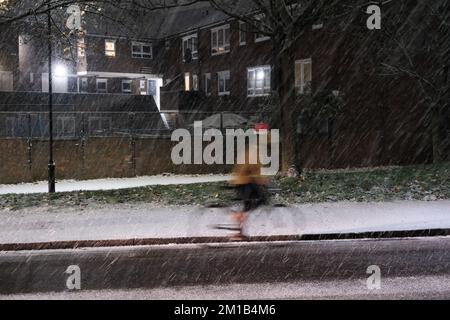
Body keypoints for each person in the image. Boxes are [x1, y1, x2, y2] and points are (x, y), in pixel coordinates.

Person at [230, 143, 268, 240]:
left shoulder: (252, 152)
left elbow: (252, 170)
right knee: (255, 202)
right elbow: (253, 169)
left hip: (244, 182)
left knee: (249, 205)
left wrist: (260, 180)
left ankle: (239, 228)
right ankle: (237, 221)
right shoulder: (254, 153)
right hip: (244, 183)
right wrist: (262, 181)